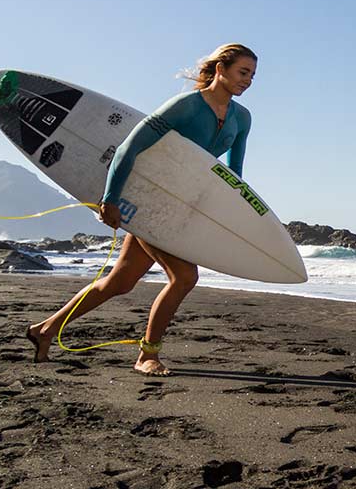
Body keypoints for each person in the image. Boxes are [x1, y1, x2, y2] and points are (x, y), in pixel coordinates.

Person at [25, 43, 257, 376]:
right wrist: (111, 198)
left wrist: (235, 216)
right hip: (149, 202)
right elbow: (127, 149)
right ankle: (147, 355)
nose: (248, 81)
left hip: (182, 205)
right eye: (242, 72)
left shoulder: (241, 118)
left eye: (252, 75)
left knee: (119, 282)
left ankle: (44, 330)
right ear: (220, 69)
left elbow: (233, 175)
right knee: (184, 277)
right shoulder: (186, 107)